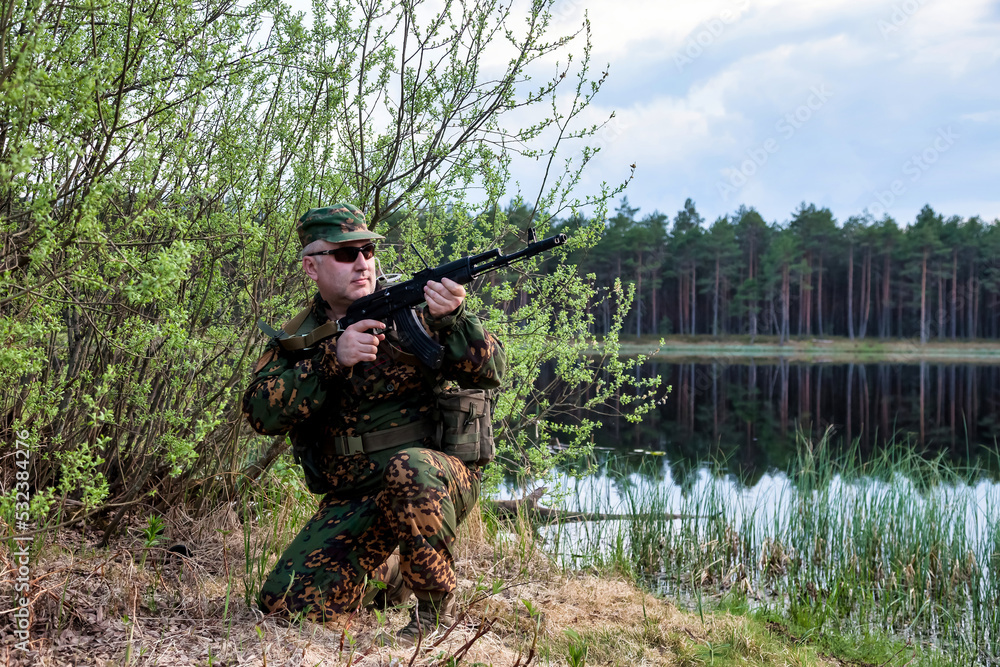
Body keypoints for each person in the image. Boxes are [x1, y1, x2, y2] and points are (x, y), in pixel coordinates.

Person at [242, 203, 505, 645]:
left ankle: (432, 613)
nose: (362, 262)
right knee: (284, 604)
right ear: (312, 266)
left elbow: (492, 371)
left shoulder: (415, 310)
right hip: (356, 495)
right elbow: (259, 414)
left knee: (411, 468)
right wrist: (332, 360)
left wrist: (455, 320)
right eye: (346, 255)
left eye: (367, 250)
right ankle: (392, 571)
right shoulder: (302, 338)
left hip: (434, 479)